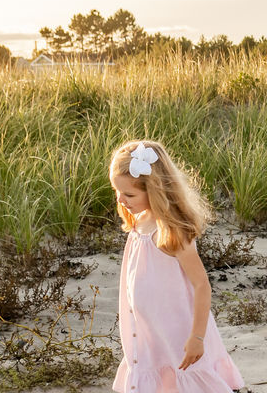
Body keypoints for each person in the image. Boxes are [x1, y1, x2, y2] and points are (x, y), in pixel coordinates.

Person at [109, 140, 244, 392]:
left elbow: (202, 285)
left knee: (185, 380)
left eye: (129, 194)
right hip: (150, 331)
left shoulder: (172, 233)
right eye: (117, 192)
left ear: (154, 190)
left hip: (179, 330)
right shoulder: (138, 225)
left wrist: (197, 337)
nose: (121, 200)